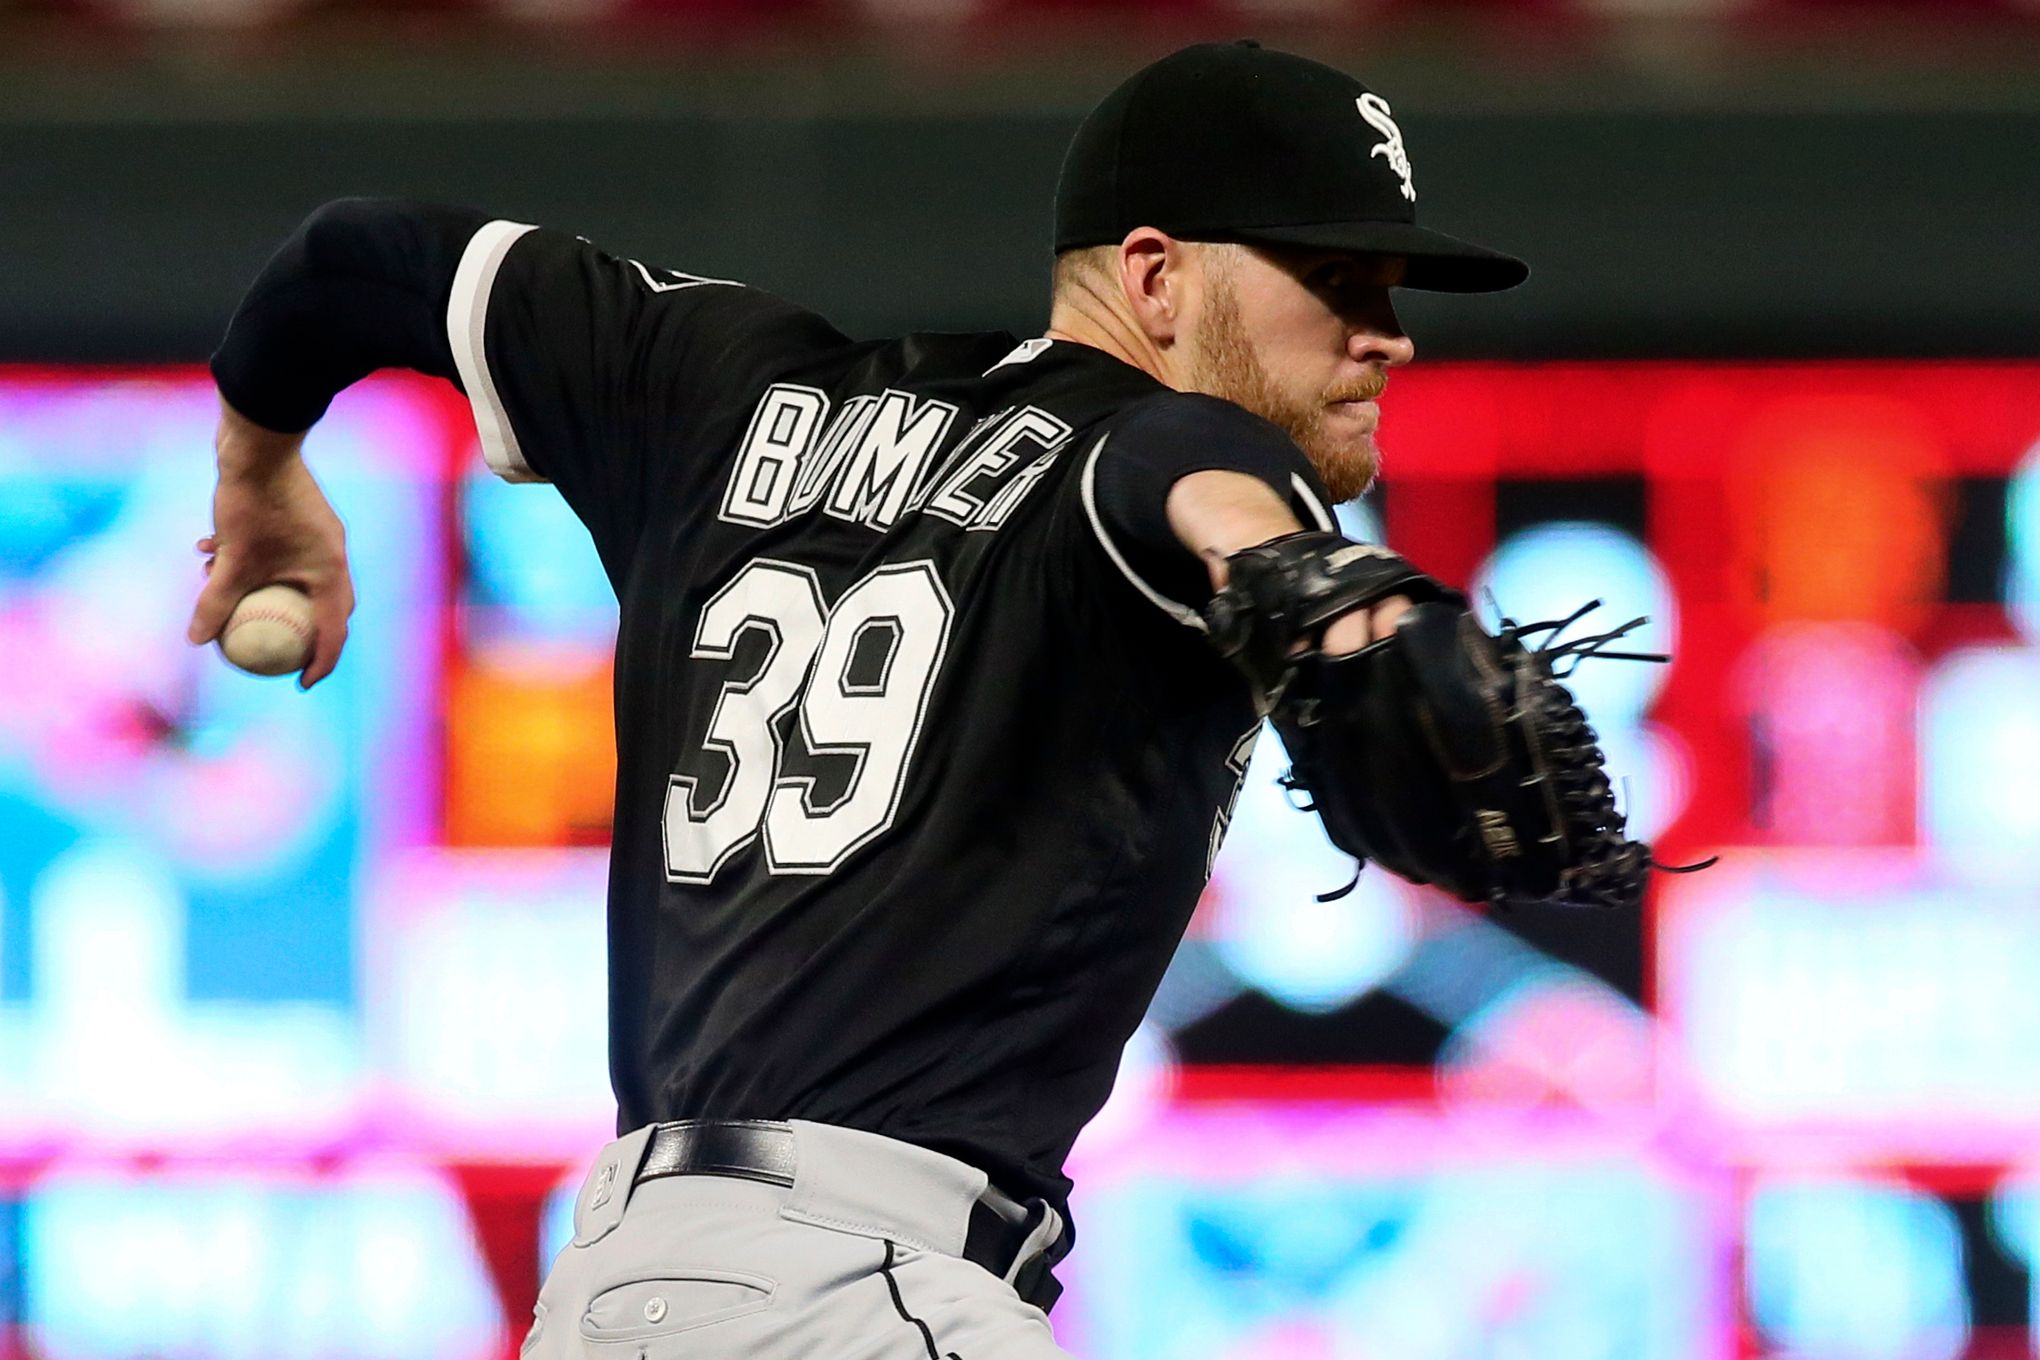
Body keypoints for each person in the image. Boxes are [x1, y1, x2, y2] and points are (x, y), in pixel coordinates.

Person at [189, 40, 1526, 1360]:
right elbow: (1208, 510)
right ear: (1156, 276)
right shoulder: (1182, 442)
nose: (1389, 333)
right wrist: (1361, 607)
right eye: (1334, 279)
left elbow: (352, 257)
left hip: (613, 1292)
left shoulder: (711, 382)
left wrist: (257, 475)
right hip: (870, 1294)